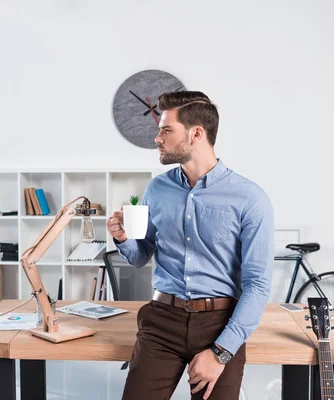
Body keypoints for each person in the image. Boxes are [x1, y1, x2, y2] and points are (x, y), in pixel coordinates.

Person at [107, 91, 274, 400]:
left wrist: (221, 352)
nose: (157, 138)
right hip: (161, 320)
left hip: (220, 324)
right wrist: (122, 239)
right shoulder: (157, 188)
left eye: (166, 130)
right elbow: (140, 255)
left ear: (197, 133)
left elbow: (258, 285)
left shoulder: (250, 198)